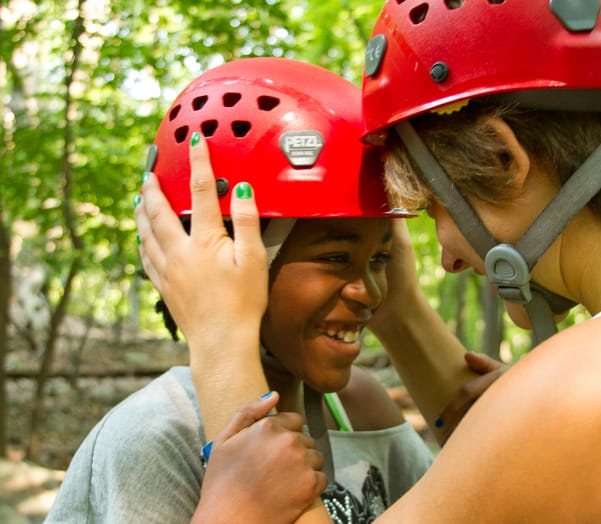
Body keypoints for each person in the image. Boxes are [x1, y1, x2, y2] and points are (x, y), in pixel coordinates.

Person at [193, 1, 601, 522]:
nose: (448, 260)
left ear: (501, 159)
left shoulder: (589, 387)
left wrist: (219, 340)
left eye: (433, 208)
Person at [48, 56, 482, 524]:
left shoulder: (359, 409)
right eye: (336, 257)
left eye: (380, 259)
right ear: (225, 260)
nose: (371, 292)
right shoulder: (159, 435)